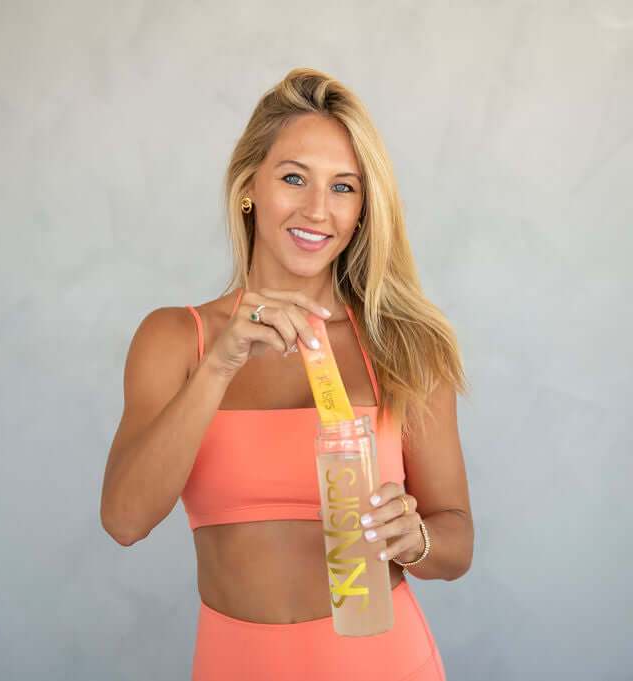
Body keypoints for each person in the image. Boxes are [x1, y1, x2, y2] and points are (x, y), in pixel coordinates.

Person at [100, 67, 473, 681]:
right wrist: (219, 365)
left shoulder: (404, 346)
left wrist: (418, 540)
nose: (317, 210)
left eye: (344, 187)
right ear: (249, 186)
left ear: (362, 209)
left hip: (384, 663)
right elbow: (124, 521)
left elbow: (456, 538)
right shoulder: (175, 339)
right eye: (294, 177)